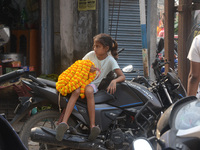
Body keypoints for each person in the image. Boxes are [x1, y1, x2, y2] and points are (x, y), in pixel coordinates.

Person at [56, 33, 125, 141]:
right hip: (82, 80)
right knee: (76, 91)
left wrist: (114, 81)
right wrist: (88, 69)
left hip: (93, 84)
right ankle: (64, 122)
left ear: (106, 48)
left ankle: (92, 126)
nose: (95, 49)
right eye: (94, 46)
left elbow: (122, 76)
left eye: (98, 46)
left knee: (88, 90)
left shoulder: (110, 60)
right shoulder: (91, 55)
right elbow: (79, 65)